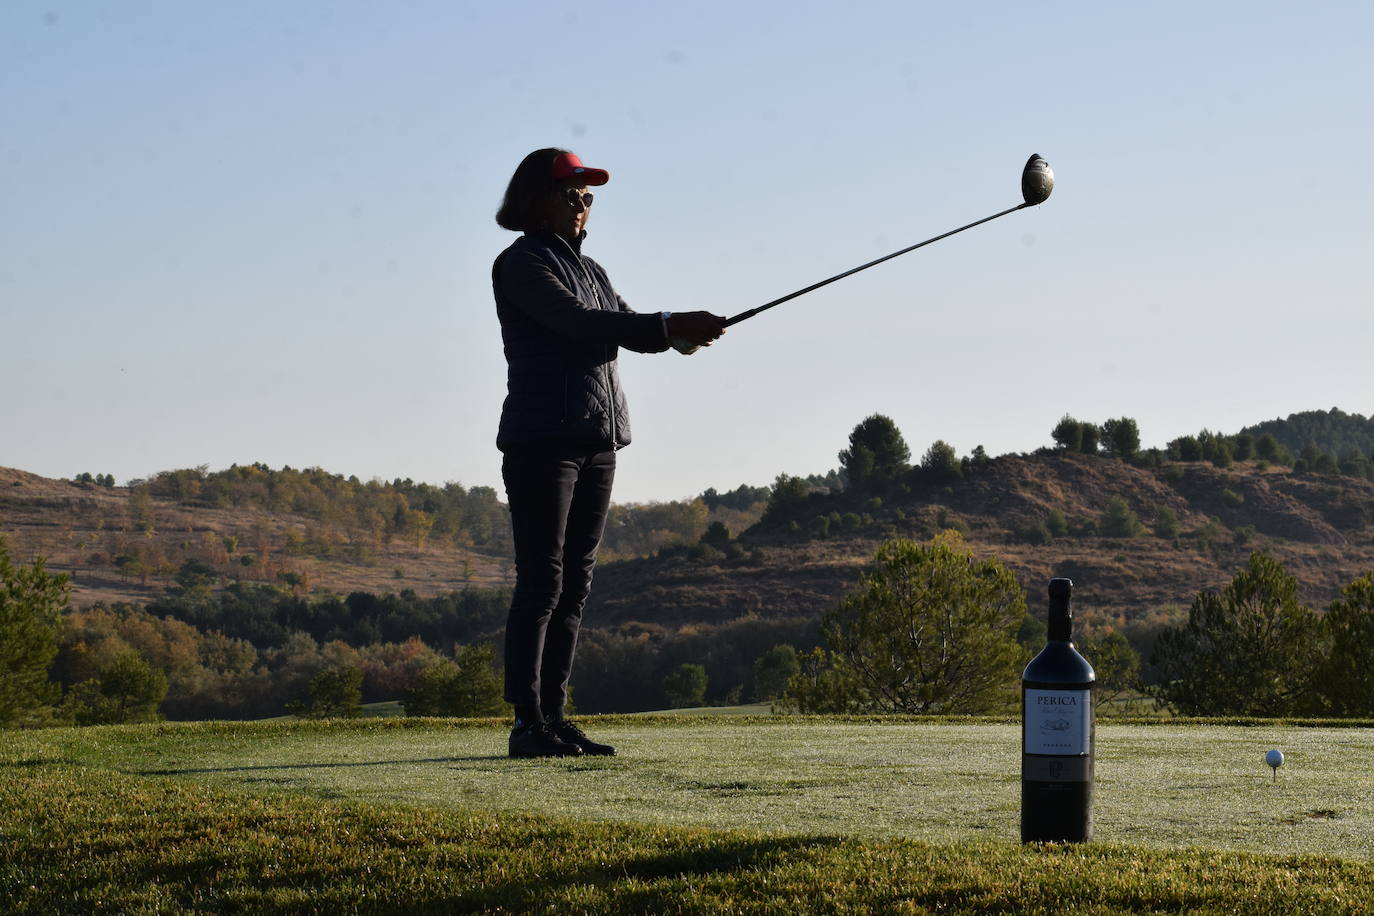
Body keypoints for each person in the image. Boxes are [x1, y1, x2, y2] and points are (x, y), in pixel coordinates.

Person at [492, 148, 726, 758]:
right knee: (542, 583)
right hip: (542, 444)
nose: (582, 204)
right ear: (536, 200)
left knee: (575, 585)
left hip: (597, 442)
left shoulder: (592, 268)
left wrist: (680, 336)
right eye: (572, 193)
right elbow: (579, 324)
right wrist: (669, 321)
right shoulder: (518, 264)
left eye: (588, 196)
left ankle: (556, 717)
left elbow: (621, 324)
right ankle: (526, 723)